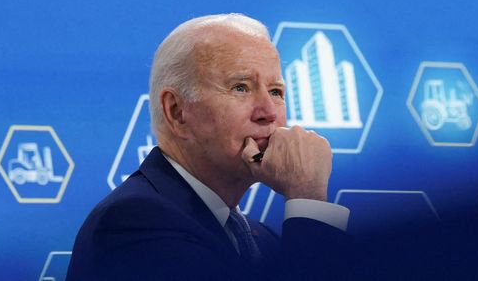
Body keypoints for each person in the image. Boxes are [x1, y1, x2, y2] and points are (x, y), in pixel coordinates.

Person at [67, 14, 350, 280]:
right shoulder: (132, 224)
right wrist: (308, 198)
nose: (268, 112)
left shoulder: (263, 240)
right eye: (240, 87)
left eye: (276, 91)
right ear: (177, 111)